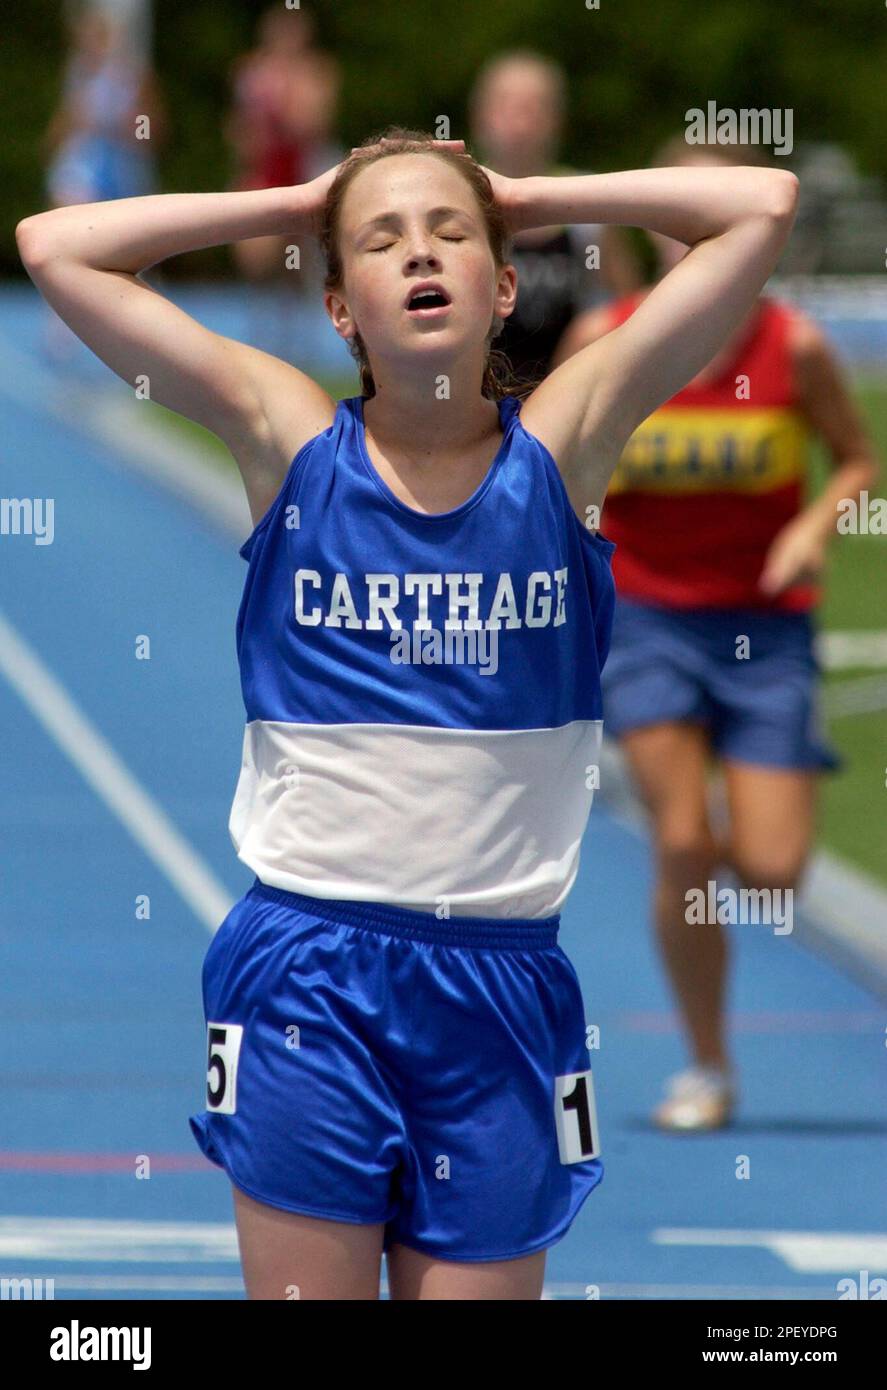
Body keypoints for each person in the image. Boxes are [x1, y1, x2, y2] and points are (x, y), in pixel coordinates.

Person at [17, 125, 799, 1298]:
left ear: (502, 284)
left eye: (450, 234)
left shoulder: (563, 442)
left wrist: (526, 191)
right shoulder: (285, 436)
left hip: (499, 983)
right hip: (307, 975)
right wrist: (294, 203)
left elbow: (762, 206)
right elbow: (56, 246)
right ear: (340, 307)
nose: (419, 253)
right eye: (381, 243)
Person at [554, 137, 879, 1132]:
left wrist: (804, 527)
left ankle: (699, 876)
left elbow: (855, 463)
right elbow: (549, 468)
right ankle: (705, 1063)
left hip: (764, 630)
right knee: (684, 841)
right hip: (645, 619)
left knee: (773, 872)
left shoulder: (797, 347)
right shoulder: (605, 337)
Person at [468, 50, 640, 385]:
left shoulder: (586, 203)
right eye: (506, 105)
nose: (520, 121)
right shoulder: (458, 200)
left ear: (557, 120)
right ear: (480, 116)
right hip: (475, 399)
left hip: (563, 395)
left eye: (534, 107)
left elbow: (630, 307)